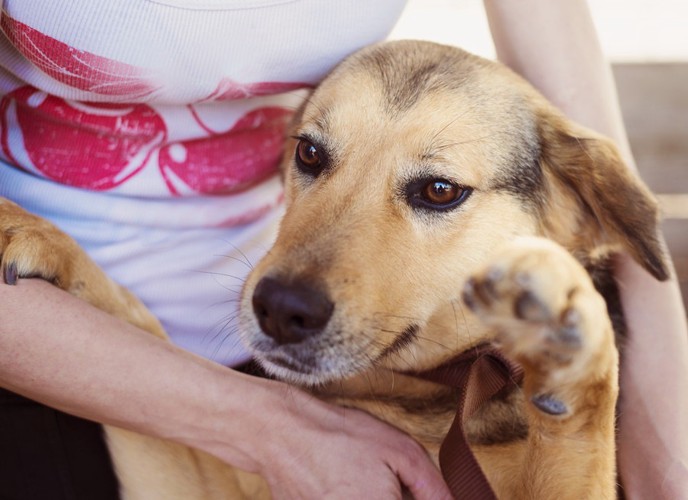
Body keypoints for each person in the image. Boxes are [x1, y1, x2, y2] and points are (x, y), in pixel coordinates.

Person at [0, 1, 685, 499]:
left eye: (436, 191)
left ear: (577, 216)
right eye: (315, 155)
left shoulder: (574, 232)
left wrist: (610, 400)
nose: (296, 285)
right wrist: (88, 283)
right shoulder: (300, 384)